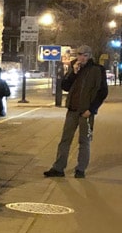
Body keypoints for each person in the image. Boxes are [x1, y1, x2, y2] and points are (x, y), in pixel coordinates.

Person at [44, 45, 109, 179]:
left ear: (89, 56)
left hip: (86, 111)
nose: (82, 57)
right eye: (80, 54)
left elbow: (103, 92)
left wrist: (91, 109)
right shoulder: (74, 67)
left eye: (85, 55)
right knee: (65, 140)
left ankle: (80, 169)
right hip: (72, 109)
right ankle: (58, 168)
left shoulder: (97, 70)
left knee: (84, 141)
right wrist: (73, 72)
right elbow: (65, 86)